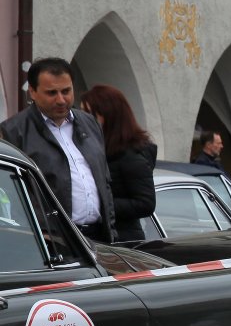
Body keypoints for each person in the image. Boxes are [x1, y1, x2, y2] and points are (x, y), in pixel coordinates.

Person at [2, 57, 116, 243]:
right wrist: (38, 235)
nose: (61, 100)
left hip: (99, 238)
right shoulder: (13, 132)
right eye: (52, 93)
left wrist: (110, 228)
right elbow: (12, 194)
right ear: (33, 92)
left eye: (66, 91)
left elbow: (104, 182)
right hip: (51, 241)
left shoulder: (89, 123)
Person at [80, 85, 156, 243]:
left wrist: (100, 203)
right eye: (81, 113)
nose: (82, 120)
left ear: (110, 115)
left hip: (122, 241)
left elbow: (145, 203)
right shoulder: (94, 149)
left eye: (90, 114)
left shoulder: (130, 156)